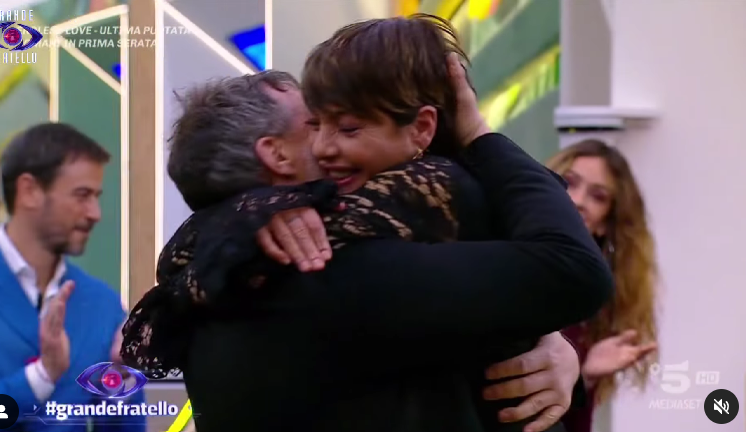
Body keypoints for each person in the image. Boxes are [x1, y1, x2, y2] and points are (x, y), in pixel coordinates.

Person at [122, 16, 610, 432]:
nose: (327, 144)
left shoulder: (208, 278)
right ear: (276, 155)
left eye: (347, 124)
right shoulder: (330, 268)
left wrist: (551, 342)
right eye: (317, 122)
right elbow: (572, 270)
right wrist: (479, 134)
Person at [0, 123, 146, 432]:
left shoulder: (102, 304)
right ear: (29, 191)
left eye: (96, 197)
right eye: (82, 195)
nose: (95, 213)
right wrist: (40, 378)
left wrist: (122, 378)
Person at [540, 140, 657, 432]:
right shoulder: (499, 254)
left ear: (605, 224)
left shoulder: (588, 304)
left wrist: (586, 376)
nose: (578, 200)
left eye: (598, 196)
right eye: (570, 183)